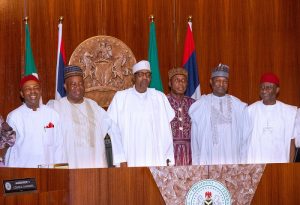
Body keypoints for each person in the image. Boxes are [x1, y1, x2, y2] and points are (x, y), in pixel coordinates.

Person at [47, 65, 126, 168]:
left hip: (95, 167)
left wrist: (120, 159)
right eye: (73, 84)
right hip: (69, 168)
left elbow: (113, 127)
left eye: (80, 84)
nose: (78, 87)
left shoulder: (94, 106)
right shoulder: (56, 108)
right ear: (65, 86)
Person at [107, 60, 175, 167]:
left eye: (148, 75)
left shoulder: (159, 97)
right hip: (130, 157)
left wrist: (168, 156)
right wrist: (120, 158)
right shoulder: (121, 98)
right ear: (133, 78)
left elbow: (166, 130)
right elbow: (113, 129)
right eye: (141, 75)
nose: (145, 78)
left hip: (155, 157)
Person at [189, 63, 248, 165]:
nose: (221, 84)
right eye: (218, 81)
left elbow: (244, 136)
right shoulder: (200, 105)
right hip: (208, 158)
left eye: (225, 81)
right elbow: (195, 138)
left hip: (232, 158)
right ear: (211, 82)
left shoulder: (238, 105)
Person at [5, 75, 64, 168]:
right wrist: (11, 174)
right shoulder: (14, 116)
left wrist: (60, 172)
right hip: (23, 170)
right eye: (27, 89)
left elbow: (59, 146)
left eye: (36, 88)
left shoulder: (53, 114)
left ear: (40, 91)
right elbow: (10, 150)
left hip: (49, 171)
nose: (32, 91)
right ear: (22, 94)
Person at [246, 73, 298, 163]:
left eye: (269, 87)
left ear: (277, 90)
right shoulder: (250, 111)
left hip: (280, 165)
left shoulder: (289, 112)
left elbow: (291, 142)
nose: (264, 90)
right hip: (256, 165)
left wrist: (290, 165)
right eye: (262, 87)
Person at [167, 68, 195, 166]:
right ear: (170, 83)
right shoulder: (163, 102)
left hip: (190, 152)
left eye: (183, 81)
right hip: (169, 150)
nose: (181, 83)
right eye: (177, 80)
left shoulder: (193, 104)